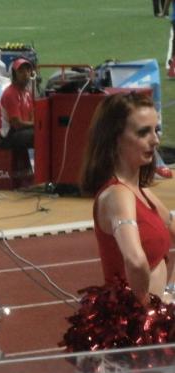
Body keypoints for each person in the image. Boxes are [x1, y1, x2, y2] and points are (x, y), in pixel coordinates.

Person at [80, 92, 174, 304]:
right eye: (143, 133)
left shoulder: (142, 193)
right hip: (135, 327)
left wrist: (170, 291)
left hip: (155, 321)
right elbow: (135, 260)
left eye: (156, 130)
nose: (155, 140)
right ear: (115, 138)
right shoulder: (118, 195)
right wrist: (148, 312)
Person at [0, 57, 34, 150]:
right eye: (21, 71)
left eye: (28, 70)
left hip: (17, 132)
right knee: (39, 135)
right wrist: (35, 125)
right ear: (14, 75)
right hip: (6, 138)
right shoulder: (10, 94)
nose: (26, 74)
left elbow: (32, 116)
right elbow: (17, 124)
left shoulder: (28, 94)